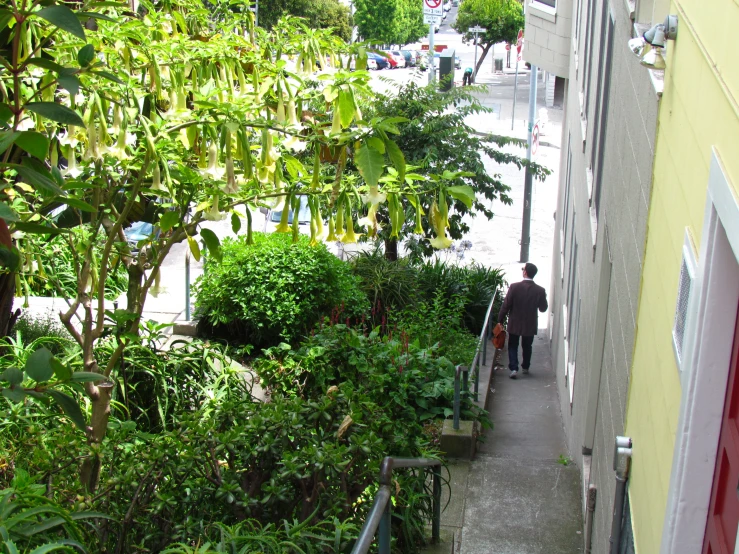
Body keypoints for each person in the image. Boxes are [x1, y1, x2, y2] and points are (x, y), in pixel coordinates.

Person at [497, 262, 548, 379]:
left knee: (512, 345)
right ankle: (525, 366)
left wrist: (500, 319)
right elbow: (543, 309)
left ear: (525, 272)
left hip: (515, 322)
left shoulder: (514, 287)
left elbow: (506, 305)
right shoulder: (540, 290)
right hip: (530, 323)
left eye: (523, 269)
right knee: (527, 345)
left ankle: (514, 368)